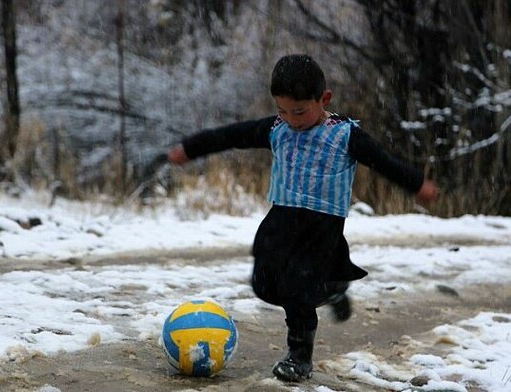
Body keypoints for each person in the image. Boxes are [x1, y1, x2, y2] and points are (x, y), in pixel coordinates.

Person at [167, 54, 439, 382]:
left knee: (296, 289)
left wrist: (416, 183)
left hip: (321, 226)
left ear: (324, 99)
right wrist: (191, 148)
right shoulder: (276, 129)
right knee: (264, 285)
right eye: (282, 110)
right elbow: (230, 135)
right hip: (281, 218)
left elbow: (383, 161)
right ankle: (333, 287)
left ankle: (299, 357)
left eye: (299, 111)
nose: (291, 119)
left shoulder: (344, 135)